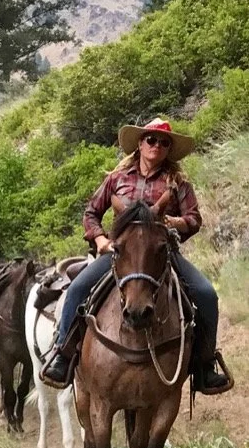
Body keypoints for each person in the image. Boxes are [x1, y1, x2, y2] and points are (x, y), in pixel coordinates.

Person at [41, 117, 228, 392]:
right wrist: (102, 239)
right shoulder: (116, 179)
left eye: (164, 143)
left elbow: (194, 219)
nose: (157, 146)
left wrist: (172, 222)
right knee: (78, 287)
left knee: (206, 294)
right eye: (151, 140)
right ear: (140, 144)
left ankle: (204, 363)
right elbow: (91, 212)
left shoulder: (177, 183)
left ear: (168, 150)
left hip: (162, 253)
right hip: (121, 252)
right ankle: (62, 353)